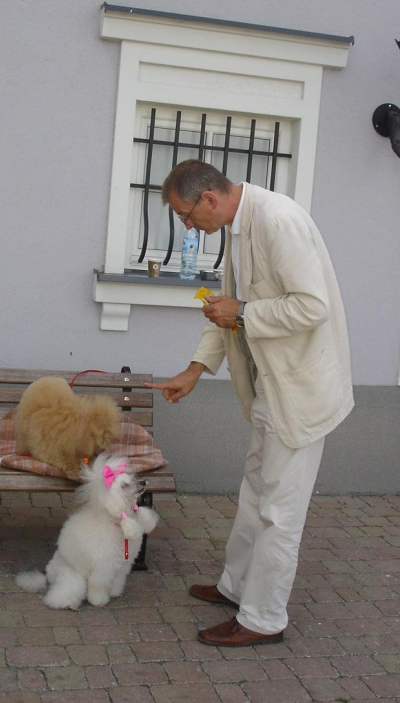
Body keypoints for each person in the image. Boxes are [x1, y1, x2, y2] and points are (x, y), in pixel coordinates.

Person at [148, 159, 353, 647]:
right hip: (269, 389)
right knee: (254, 497)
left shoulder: (277, 221)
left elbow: (312, 305)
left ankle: (264, 619)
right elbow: (224, 315)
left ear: (209, 200)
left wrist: (242, 311)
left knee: (280, 513)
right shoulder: (240, 227)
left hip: (299, 395)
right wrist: (194, 370)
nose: (187, 226)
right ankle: (235, 588)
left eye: (185, 214)